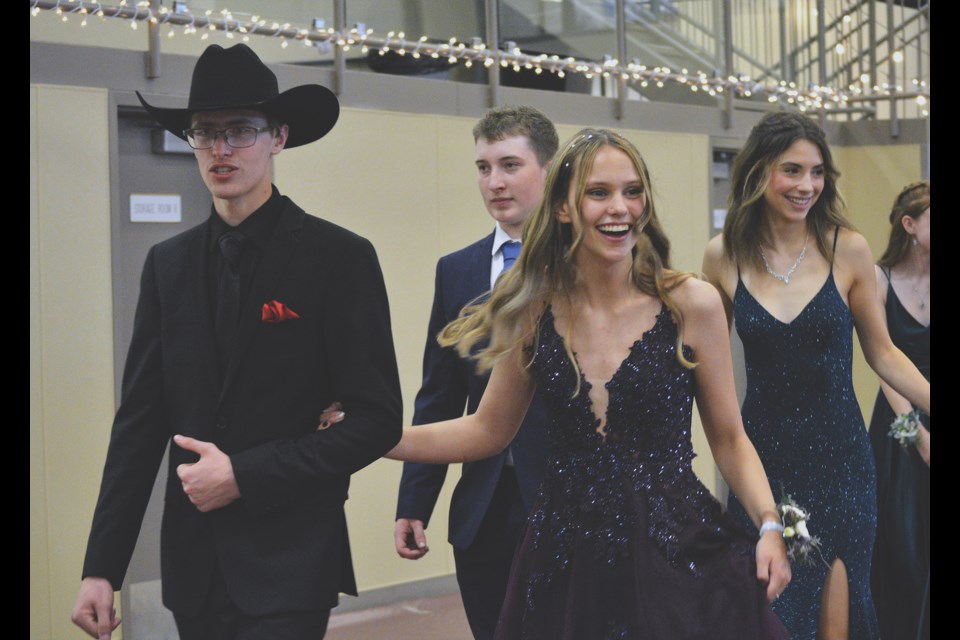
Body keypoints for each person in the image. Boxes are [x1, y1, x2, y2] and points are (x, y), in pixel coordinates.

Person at [384, 128, 791, 638]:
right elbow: (486, 430)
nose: (619, 207)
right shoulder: (532, 309)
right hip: (565, 552)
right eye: (598, 193)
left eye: (632, 191)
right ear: (562, 208)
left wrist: (769, 524)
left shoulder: (692, 303)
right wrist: (381, 438)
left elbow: (729, 438)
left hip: (673, 545)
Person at [70, 43, 402, 640]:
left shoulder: (339, 258)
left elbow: (376, 420)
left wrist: (245, 474)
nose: (220, 149)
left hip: (290, 557)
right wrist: (102, 568)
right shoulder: (166, 265)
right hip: (195, 566)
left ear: (277, 138)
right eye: (205, 133)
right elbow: (140, 424)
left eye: (240, 131)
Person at [701, 112, 930, 639]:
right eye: (792, 170)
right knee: (771, 609)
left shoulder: (845, 247)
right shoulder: (722, 256)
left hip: (842, 458)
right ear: (759, 172)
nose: (807, 185)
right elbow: (701, 365)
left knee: (839, 610)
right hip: (763, 460)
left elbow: (885, 354)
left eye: (817, 172)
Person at [394, 106, 555, 640]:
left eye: (510, 164)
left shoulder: (585, 264)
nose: (495, 182)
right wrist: (415, 501)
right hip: (482, 509)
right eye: (484, 168)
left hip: (566, 500)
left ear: (549, 170)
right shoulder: (456, 269)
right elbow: (437, 395)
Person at [867, 181, 929, 640]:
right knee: (904, 544)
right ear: (909, 226)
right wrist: (918, 434)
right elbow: (884, 365)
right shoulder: (878, 278)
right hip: (899, 418)